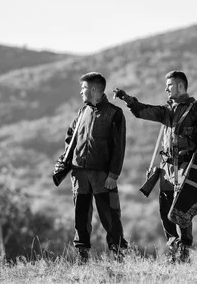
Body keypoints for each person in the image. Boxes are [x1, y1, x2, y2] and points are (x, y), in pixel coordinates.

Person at [113, 70, 197, 263]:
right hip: (167, 169)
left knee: (181, 210)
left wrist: (190, 131)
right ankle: (174, 248)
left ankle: (184, 249)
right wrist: (127, 99)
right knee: (164, 209)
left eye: (168, 85)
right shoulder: (168, 110)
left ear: (179, 86)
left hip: (186, 167)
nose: (165, 89)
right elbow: (143, 111)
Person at [62, 72, 128, 263]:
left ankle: (118, 256)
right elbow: (69, 137)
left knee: (110, 216)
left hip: (103, 176)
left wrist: (113, 174)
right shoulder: (82, 112)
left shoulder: (115, 113)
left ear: (93, 90)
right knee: (80, 217)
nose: (80, 92)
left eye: (83, 88)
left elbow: (119, 147)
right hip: (79, 175)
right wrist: (68, 163)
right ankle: (82, 257)